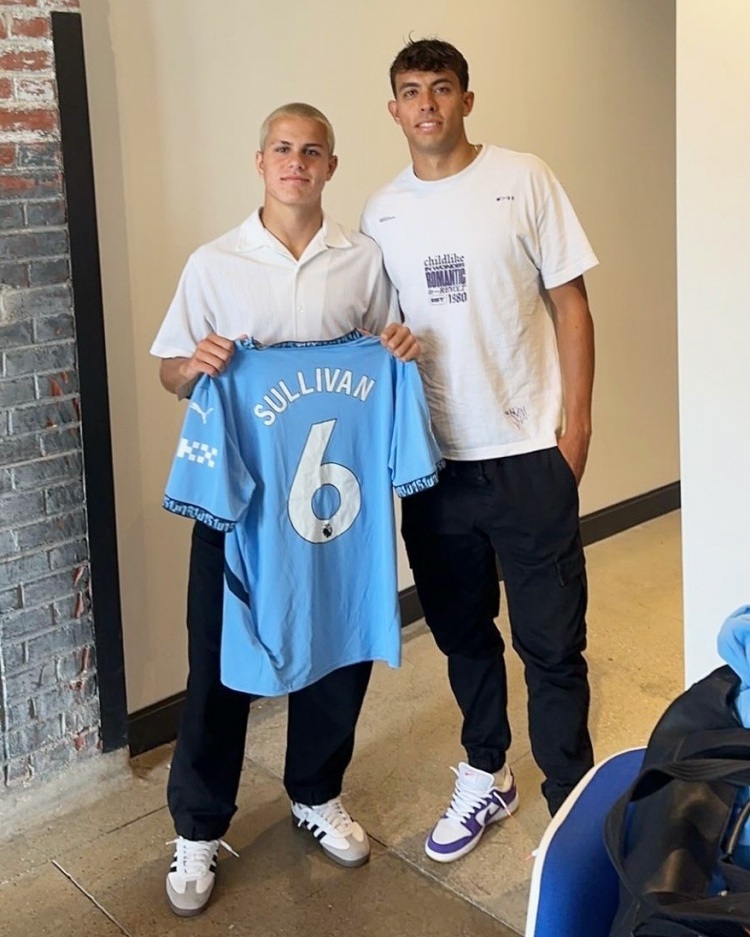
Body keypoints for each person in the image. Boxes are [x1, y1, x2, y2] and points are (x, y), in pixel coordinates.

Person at [151, 102, 419, 916]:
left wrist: (398, 348)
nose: (295, 162)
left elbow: (386, 349)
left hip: (333, 517)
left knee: (337, 647)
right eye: (282, 148)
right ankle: (198, 828)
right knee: (218, 667)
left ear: (331, 165)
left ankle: (316, 790)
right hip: (239, 508)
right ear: (260, 161)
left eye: (311, 150)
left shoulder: (362, 260)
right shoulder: (214, 262)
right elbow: (169, 371)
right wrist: (193, 366)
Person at [361, 38, 598, 862]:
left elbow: (571, 303)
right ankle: (487, 772)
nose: (426, 104)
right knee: (463, 634)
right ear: (393, 109)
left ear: (466, 99)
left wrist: (576, 429)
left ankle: (571, 806)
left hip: (529, 450)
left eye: (441, 88)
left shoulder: (522, 178)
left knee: (552, 644)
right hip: (434, 466)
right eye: (411, 91)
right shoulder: (380, 213)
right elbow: (380, 332)